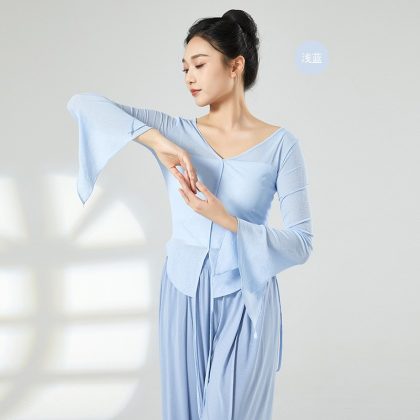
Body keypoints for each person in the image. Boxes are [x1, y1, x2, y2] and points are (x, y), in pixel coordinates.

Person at [67, 9, 314, 420]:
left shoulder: (281, 146)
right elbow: (83, 104)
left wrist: (225, 218)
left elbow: (302, 243)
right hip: (183, 290)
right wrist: (158, 143)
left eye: (199, 64)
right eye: (184, 68)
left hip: (246, 296)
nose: (189, 77)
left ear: (235, 65)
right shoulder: (174, 131)